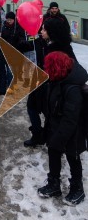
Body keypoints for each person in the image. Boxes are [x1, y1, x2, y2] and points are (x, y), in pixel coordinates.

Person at [37, 51, 88, 206]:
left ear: (56, 67)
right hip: (56, 127)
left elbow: (70, 118)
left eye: (48, 66)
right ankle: (54, 184)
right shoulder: (57, 80)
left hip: (72, 131)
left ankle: (77, 189)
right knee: (53, 154)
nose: (45, 68)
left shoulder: (72, 88)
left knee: (73, 158)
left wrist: (60, 138)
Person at [21, 17, 77, 148]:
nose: (42, 31)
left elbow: (74, 67)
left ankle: (53, 139)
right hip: (39, 83)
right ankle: (37, 134)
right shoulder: (42, 42)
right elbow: (28, 46)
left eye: (44, 29)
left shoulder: (62, 48)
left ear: (52, 31)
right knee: (31, 107)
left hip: (53, 88)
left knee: (50, 114)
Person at [0, 11, 26, 91]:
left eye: (11, 20)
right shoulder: (4, 27)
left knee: (15, 69)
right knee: (9, 69)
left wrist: (20, 41)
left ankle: (14, 83)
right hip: (7, 51)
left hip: (16, 51)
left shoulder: (18, 27)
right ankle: (10, 85)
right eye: (8, 19)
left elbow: (23, 37)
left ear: (14, 19)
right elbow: (2, 38)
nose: (9, 21)